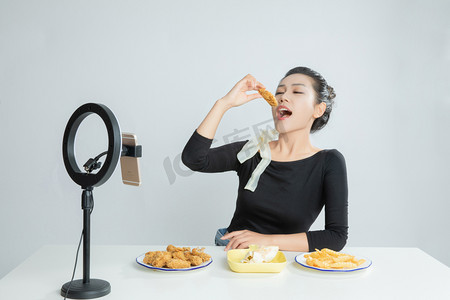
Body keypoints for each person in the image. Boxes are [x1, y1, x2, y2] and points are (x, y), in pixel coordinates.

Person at [181, 67, 348, 252]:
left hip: (283, 261)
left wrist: (265, 241)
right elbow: (193, 159)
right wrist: (224, 104)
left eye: (297, 91)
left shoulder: (329, 162)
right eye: (279, 92)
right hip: (231, 254)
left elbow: (336, 237)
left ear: (318, 109)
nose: (282, 97)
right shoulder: (252, 151)